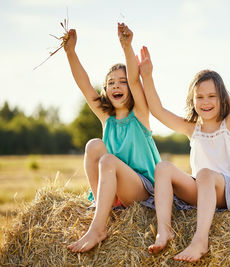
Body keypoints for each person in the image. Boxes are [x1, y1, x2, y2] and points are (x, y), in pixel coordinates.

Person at [138, 43, 230, 262]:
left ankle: (200, 241)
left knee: (204, 173)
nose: (205, 102)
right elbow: (157, 110)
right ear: (193, 101)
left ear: (222, 99)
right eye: (200, 97)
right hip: (204, 191)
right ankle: (164, 231)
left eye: (211, 96)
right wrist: (147, 76)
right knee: (163, 167)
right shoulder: (192, 130)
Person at [64, 23, 160, 253]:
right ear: (106, 91)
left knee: (107, 161)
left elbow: (137, 81)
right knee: (94, 145)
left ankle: (99, 228)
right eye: (111, 83)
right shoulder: (107, 119)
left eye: (122, 81)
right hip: (117, 189)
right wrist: (70, 52)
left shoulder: (140, 115)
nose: (116, 85)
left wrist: (127, 46)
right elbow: (85, 86)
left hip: (144, 189)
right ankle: (101, 206)